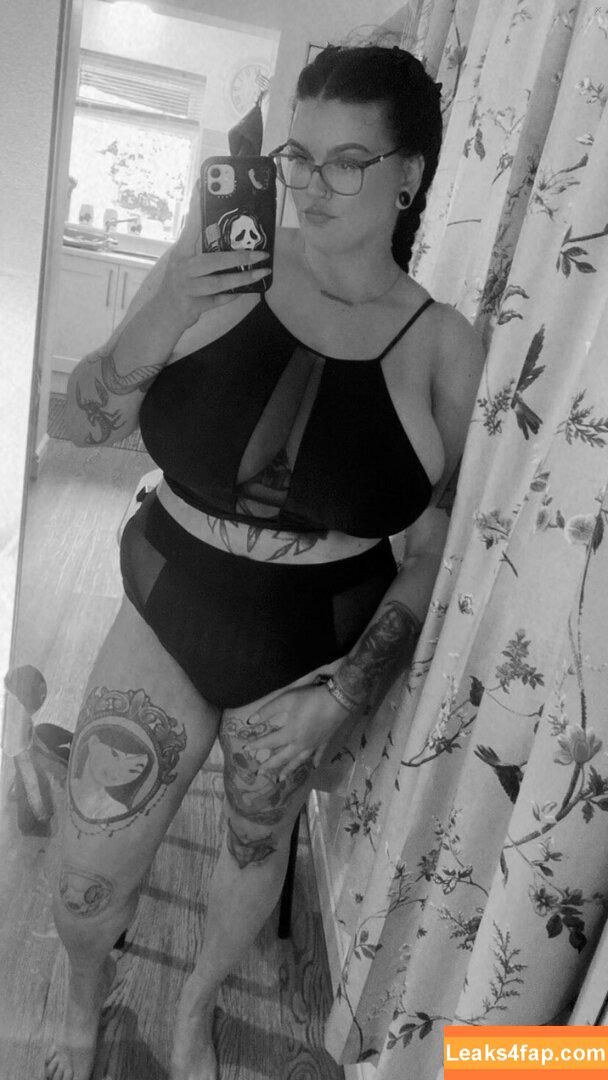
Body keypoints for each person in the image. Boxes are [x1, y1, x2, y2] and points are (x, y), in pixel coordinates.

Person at [45, 43, 485, 1080]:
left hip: (306, 649)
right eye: (298, 155)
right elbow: (80, 422)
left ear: (409, 175)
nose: (310, 184)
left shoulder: (444, 349)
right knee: (86, 871)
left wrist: (342, 697)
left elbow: (432, 550)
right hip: (170, 602)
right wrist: (165, 303)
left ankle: (195, 1012)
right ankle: (82, 987)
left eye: (346, 162)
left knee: (254, 845)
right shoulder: (219, 268)